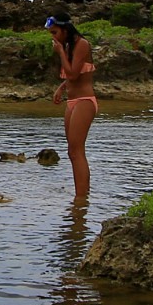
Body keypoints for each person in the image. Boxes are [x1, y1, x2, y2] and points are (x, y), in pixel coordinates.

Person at [47, 15, 96, 200]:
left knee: (77, 150)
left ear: (65, 30)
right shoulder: (69, 46)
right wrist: (61, 88)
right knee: (71, 151)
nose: (53, 37)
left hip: (85, 100)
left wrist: (60, 52)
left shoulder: (82, 44)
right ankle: (80, 195)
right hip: (72, 101)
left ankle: (82, 198)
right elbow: (70, 76)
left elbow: (74, 74)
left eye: (55, 32)